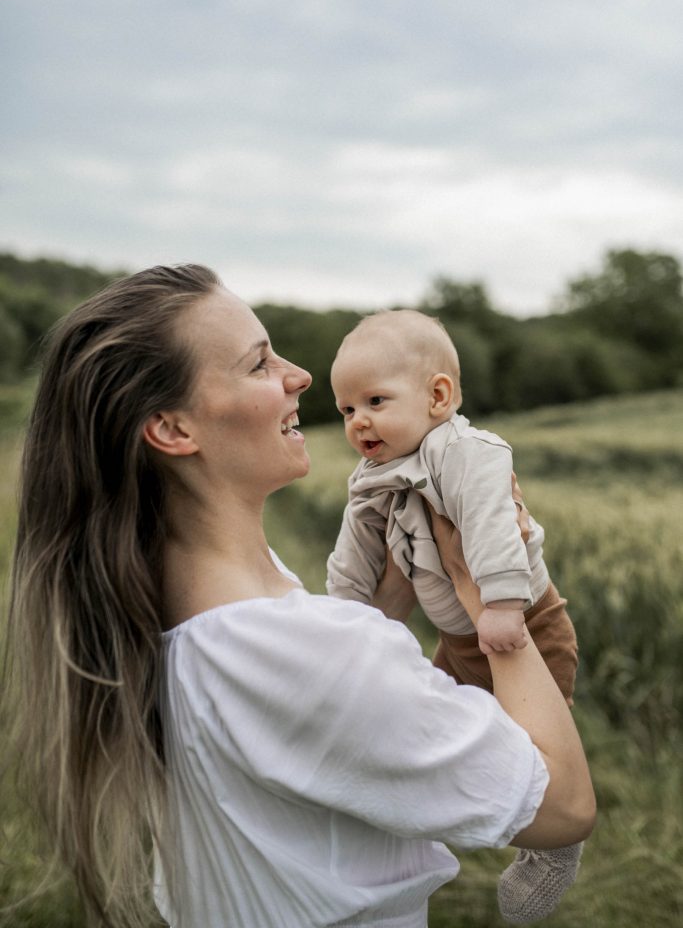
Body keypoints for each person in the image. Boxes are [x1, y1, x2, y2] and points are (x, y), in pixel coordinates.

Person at [3, 266, 594, 928]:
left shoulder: (160, 602)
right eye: (259, 364)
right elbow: (565, 808)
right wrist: (483, 592)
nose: (300, 376)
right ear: (173, 430)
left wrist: (383, 608)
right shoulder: (298, 647)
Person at [327, 309, 583, 924]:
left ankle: (554, 849)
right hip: (457, 638)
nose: (358, 420)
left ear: (438, 396)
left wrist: (499, 603)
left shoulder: (465, 453)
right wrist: (335, 619)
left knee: (536, 755)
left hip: (526, 625)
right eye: (345, 410)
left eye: (375, 400)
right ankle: (432, 819)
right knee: (440, 729)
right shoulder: (374, 477)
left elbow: (496, 524)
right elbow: (354, 552)